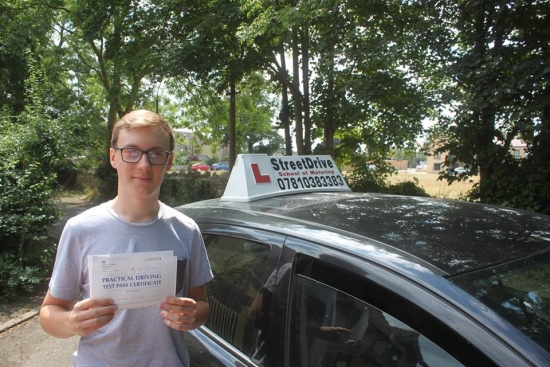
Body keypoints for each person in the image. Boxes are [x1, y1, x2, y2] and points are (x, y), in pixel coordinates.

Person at [39, 110, 213, 367]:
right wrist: (70, 323)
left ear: (169, 161)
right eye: (131, 151)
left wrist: (193, 315)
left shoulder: (186, 229)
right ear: (113, 157)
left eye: (155, 153)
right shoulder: (80, 229)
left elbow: (202, 305)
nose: (144, 165)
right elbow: (49, 311)